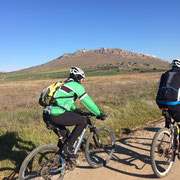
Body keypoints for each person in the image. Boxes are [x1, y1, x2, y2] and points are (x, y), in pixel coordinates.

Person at [43, 67, 106, 158]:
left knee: (65, 137)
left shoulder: (63, 84)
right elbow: (87, 101)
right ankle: (68, 149)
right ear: (78, 78)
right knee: (83, 121)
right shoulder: (76, 85)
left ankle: (61, 162)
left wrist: (75, 110)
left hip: (46, 114)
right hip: (56, 114)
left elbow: (64, 101)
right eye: (81, 79)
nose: (81, 81)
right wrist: (98, 113)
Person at [156, 59, 180, 128]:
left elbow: (158, 88)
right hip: (173, 103)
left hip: (159, 101)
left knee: (169, 107)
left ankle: (167, 124)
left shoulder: (164, 74)